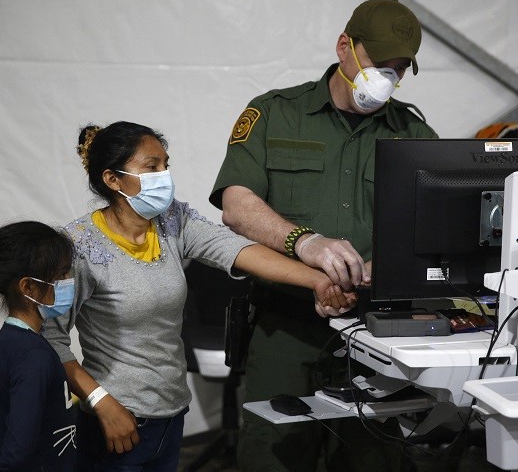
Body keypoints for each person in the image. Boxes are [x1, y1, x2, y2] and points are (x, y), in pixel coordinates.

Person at [41, 121, 357, 472]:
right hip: (116, 420)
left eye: (165, 165)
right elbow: (49, 336)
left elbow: (234, 249)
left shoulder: (171, 220)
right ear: (112, 179)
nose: (164, 176)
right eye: (151, 167)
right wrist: (102, 403)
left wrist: (317, 280)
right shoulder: (77, 247)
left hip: (171, 413)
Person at [209, 0, 438, 472]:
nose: (386, 80)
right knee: (274, 456)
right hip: (285, 328)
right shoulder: (275, 113)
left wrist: (392, 265)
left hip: (375, 335)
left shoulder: (413, 134)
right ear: (344, 47)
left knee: (367, 457)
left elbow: (434, 226)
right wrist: (306, 243)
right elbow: (237, 206)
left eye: (398, 70)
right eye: (378, 64)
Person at [0, 221, 77, 472]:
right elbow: (18, 450)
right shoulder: (33, 356)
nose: (69, 280)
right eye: (61, 274)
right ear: (28, 287)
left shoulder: (13, 339)